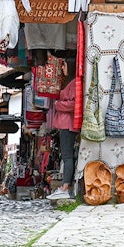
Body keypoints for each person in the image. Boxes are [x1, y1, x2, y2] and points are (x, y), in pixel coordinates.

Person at [47, 60, 78, 199]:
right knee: (67, 156)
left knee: (67, 156)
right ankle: (65, 186)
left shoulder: (74, 83)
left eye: (65, 65)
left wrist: (58, 105)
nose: (63, 68)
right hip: (65, 123)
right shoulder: (70, 82)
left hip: (68, 123)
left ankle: (65, 187)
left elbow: (74, 104)